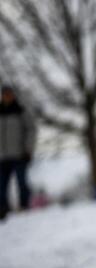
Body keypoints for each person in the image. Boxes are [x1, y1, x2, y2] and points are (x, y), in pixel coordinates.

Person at [0, 85, 37, 220]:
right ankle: (3, 209)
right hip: (2, 156)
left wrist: (28, 149)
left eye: (9, 94)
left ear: (13, 95)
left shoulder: (21, 112)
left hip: (19, 154)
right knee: (1, 185)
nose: (7, 96)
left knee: (21, 182)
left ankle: (24, 207)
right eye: (4, 94)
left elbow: (31, 130)